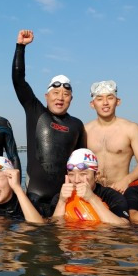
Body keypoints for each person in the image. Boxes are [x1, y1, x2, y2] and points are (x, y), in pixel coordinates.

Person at [13, 29, 86, 215]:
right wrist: (20, 47)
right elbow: (18, 79)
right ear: (46, 96)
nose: (60, 98)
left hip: (64, 198)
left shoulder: (77, 125)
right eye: (55, 93)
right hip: (34, 197)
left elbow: (81, 163)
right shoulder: (35, 112)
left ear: (71, 99)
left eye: (66, 94)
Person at [84, 80, 138, 193]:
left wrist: (127, 180)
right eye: (99, 99)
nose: (105, 103)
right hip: (93, 191)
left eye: (110, 98)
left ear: (118, 101)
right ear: (92, 104)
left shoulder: (131, 129)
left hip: (120, 190)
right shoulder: (84, 130)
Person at [49, 148, 130, 226]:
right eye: (71, 174)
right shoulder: (60, 197)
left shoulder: (111, 196)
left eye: (83, 174)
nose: (76, 180)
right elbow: (55, 230)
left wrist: (92, 198)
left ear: (96, 176)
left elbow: (122, 227)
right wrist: (62, 202)